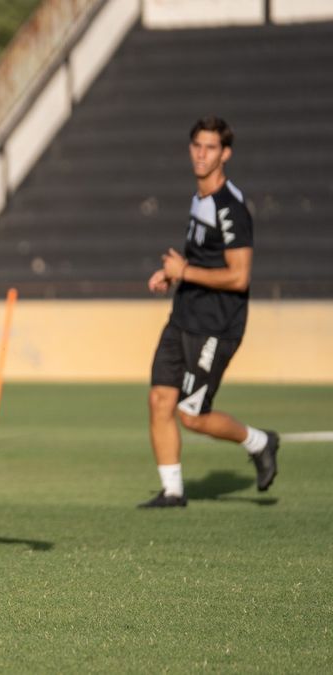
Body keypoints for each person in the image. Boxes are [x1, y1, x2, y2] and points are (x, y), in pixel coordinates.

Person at [140, 116, 279, 508]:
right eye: (197, 146)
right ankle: (172, 491)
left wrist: (184, 271)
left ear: (225, 154)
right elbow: (204, 257)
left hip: (217, 325)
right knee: (159, 401)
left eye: (211, 148)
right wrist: (174, 276)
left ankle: (259, 441)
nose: (202, 154)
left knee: (191, 413)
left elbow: (239, 277)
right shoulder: (199, 198)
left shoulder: (231, 208)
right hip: (183, 315)